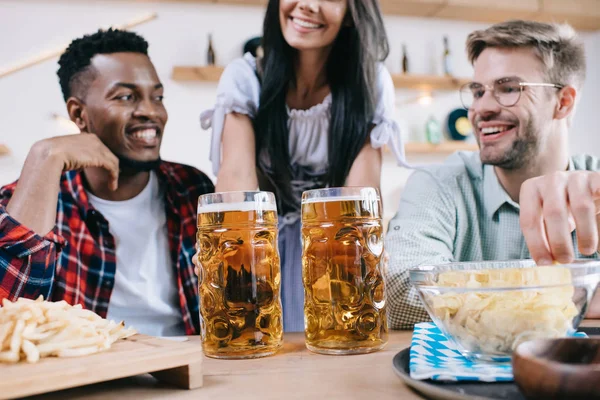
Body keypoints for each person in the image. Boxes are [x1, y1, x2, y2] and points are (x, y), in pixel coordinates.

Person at [200, 0, 405, 332]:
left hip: (332, 247)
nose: (307, 5)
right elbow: (237, 178)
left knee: (338, 344)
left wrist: (361, 253)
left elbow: (361, 194)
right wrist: (229, 251)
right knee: (251, 340)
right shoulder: (246, 76)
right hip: (261, 245)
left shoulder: (369, 81)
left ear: (353, 13)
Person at [384, 20, 600, 329]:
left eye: (509, 88)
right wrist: (574, 294)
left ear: (563, 102)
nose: (481, 109)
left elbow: (428, 295)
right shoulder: (438, 184)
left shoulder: (596, 188)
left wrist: (461, 294)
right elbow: (400, 293)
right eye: (477, 91)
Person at [0, 29, 215, 336]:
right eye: (126, 97)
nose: (151, 112)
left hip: (186, 370)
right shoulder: (19, 202)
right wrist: (44, 155)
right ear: (79, 113)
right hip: (90, 375)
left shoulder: (193, 189)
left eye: (157, 96)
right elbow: (6, 318)